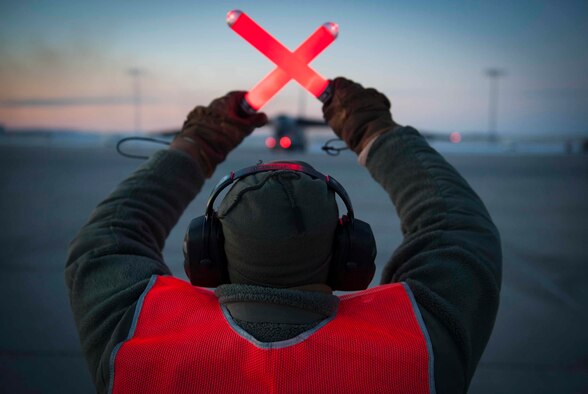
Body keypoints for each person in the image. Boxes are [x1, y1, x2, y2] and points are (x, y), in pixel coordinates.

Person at [65, 77, 502, 394]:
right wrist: (376, 131)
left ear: (207, 253)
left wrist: (199, 141)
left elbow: (107, 237)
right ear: (349, 253)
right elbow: (458, 230)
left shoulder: (139, 336)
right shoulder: (417, 345)